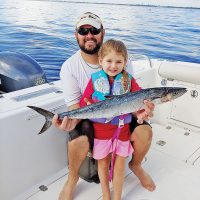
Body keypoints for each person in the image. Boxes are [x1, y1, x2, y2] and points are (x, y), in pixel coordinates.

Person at [52, 12, 155, 200]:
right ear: (76, 35)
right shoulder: (70, 66)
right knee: (77, 138)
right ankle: (72, 179)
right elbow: (77, 107)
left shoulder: (123, 62)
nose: (89, 34)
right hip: (93, 118)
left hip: (121, 118)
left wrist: (142, 112)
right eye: (83, 30)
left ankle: (136, 165)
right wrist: (67, 121)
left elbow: (132, 96)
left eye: (94, 30)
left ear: (102, 33)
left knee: (145, 131)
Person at [79, 39, 141, 200]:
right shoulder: (94, 80)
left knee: (120, 168)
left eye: (119, 61)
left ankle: (117, 196)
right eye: (109, 61)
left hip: (122, 132)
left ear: (125, 63)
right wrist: (89, 103)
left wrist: (144, 110)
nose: (113, 66)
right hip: (101, 133)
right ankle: (106, 194)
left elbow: (141, 99)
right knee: (103, 164)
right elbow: (83, 102)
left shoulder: (130, 81)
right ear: (100, 61)